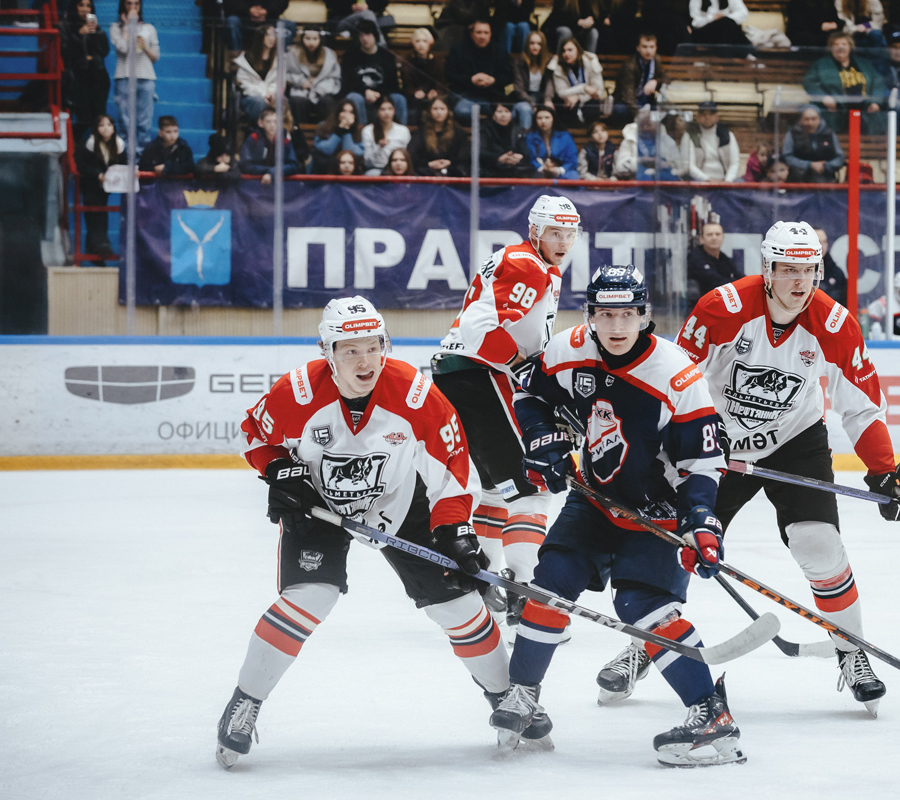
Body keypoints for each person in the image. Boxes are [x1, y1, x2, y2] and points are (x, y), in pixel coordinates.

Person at [215, 296, 509, 769]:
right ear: (327, 351)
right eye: (350, 350)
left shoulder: (415, 395)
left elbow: (452, 470)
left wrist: (454, 528)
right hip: (319, 504)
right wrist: (279, 470)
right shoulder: (296, 393)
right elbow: (255, 435)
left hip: (399, 501)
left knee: (457, 604)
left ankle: (507, 698)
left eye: (373, 346)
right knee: (311, 596)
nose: (364, 360)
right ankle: (244, 701)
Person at [489, 263, 744, 767]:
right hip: (596, 496)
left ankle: (712, 715)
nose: (616, 325)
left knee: (641, 606)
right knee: (551, 581)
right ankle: (523, 694)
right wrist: (541, 438)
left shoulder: (675, 374)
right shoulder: (568, 348)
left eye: (627, 314)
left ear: (645, 315)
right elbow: (529, 391)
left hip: (658, 510)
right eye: (605, 314)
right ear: (590, 315)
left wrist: (700, 520)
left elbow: (703, 462)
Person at [671, 220, 900, 717]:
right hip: (719, 443)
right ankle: (648, 643)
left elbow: (862, 408)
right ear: (767, 269)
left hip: (795, 441)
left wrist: (884, 471)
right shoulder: (721, 308)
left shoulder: (835, 324)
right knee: (675, 542)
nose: (799, 281)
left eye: (808, 270)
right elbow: (676, 382)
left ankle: (850, 650)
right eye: (788, 269)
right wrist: (694, 431)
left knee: (819, 545)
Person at [432, 195, 582, 634]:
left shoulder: (529, 262)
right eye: (555, 232)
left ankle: (482, 584)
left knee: (499, 492)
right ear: (535, 231)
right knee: (534, 489)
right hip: (480, 376)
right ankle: (526, 596)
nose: (563, 242)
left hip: (461, 376)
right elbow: (478, 327)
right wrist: (519, 364)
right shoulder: (527, 265)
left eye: (570, 234)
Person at [803, 33, 885, 135]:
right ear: (831, 48)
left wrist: (875, 102)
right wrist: (824, 97)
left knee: (880, 117)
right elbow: (809, 82)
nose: (840, 47)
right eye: (836, 44)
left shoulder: (864, 64)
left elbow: (878, 82)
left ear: (850, 47)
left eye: (844, 44)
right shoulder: (821, 64)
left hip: (864, 108)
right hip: (835, 109)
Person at [74, 114, 124, 260]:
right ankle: (101, 246)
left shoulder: (119, 145)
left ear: (113, 128)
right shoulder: (90, 144)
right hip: (90, 184)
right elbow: (82, 164)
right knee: (95, 214)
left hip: (107, 186)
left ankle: (95, 250)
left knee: (101, 212)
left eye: (109, 125)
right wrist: (98, 174)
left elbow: (124, 164)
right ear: (96, 129)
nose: (106, 128)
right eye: (101, 125)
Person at [110, 0, 158, 151]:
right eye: (129, 3)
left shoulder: (149, 28)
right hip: (124, 76)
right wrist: (126, 27)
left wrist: (144, 47)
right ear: (123, 5)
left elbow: (155, 57)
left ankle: (142, 156)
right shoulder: (115, 27)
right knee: (125, 120)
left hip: (146, 77)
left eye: (136, 4)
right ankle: (125, 155)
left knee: (144, 120)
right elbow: (122, 49)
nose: (133, 7)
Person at [61, 0, 110, 146]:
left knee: (99, 118)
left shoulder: (97, 29)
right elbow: (65, 51)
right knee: (84, 119)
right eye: (81, 5)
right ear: (74, 6)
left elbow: (103, 51)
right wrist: (78, 35)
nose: (84, 9)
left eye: (88, 6)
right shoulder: (65, 26)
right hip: (78, 78)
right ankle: (74, 145)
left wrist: (96, 34)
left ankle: (96, 150)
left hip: (98, 77)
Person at [446, 18, 512, 124]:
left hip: (491, 97)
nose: (482, 36)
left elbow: (508, 76)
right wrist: (471, 80)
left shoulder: (500, 51)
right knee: (463, 112)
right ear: (472, 34)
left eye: (486, 33)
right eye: (479, 32)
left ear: (490, 34)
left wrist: (493, 80)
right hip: (465, 95)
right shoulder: (458, 49)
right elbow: (449, 75)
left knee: (503, 114)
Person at [342, 20, 407, 127]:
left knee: (399, 98)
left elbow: (393, 85)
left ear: (375, 35)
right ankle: (360, 132)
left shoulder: (387, 56)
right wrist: (365, 92)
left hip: (382, 95)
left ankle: (400, 132)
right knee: (353, 97)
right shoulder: (350, 56)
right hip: (360, 95)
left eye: (368, 34)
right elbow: (348, 83)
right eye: (361, 35)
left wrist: (379, 94)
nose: (365, 39)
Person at [546, 36, 609, 128]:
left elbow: (598, 92)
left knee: (592, 107)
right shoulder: (558, 66)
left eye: (570, 50)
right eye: (563, 51)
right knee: (566, 106)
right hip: (568, 101)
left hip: (587, 100)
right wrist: (584, 88)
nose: (566, 54)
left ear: (578, 50)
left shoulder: (591, 61)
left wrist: (579, 97)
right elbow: (561, 92)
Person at [285, 27, 341, 124]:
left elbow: (335, 77)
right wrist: (301, 82)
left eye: (315, 39)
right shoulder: (292, 53)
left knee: (327, 101)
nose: (311, 42)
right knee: (297, 101)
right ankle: (299, 130)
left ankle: (325, 130)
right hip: (300, 91)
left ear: (320, 39)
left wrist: (319, 86)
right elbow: (285, 74)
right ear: (302, 38)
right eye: (308, 38)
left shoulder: (329, 54)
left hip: (323, 91)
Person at [782, 104, 846, 183]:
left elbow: (840, 157)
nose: (810, 123)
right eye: (806, 119)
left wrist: (826, 166)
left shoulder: (829, 134)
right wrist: (809, 165)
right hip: (799, 181)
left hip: (826, 180)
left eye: (814, 119)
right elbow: (787, 157)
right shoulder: (792, 134)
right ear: (800, 120)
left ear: (819, 119)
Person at [613, 34, 670, 122]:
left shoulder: (656, 60)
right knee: (620, 111)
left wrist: (655, 81)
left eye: (651, 47)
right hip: (626, 101)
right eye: (644, 47)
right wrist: (639, 115)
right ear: (638, 48)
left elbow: (666, 78)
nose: (648, 51)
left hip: (646, 99)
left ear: (656, 48)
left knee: (667, 112)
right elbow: (628, 95)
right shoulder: (630, 65)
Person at [409, 96, 470, 177]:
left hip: (452, 172)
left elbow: (464, 155)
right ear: (429, 111)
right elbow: (412, 155)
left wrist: (450, 162)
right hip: (427, 173)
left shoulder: (458, 133)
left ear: (448, 111)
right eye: (435, 109)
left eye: (442, 109)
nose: (439, 112)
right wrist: (429, 164)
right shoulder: (421, 132)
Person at [240, 107, 301, 185]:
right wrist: (269, 171)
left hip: (280, 185)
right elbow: (245, 165)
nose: (272, 125)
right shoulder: (253, 138)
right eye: (268, 121)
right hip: (254, 183)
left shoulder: (285, 140)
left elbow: (293, 165)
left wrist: (272, 172)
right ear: (260, 123)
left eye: (276, 122)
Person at [235, 24, 282, 124]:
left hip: (271, 94)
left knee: (282, 100)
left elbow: (277, 81)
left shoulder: (277, 59)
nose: (271, 38)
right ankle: (257, 130)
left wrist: (271, 92)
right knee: (259, 102)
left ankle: (282, 131)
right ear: (260, 37)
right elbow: (244, 84)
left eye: (274, 35)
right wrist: (263, 94)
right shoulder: (247, 59)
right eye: (268, 35)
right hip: (251, 95)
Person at [400, 26, 444, 126]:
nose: (421, 44)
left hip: (433, 95)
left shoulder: (437, 61)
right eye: (417, 41)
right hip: (414, 96)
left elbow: (441, 82)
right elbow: (406, 84)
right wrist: (414, 92)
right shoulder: (407, 61)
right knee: (415, 107)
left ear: (430, 43)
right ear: (413, 43)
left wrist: (436, 91)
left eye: (424, 41)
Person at [686, 101, 740, 183]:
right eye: (703, 114)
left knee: (741, 182)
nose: (707, 117)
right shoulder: (691, 136)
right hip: (701, 180)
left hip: (724, 180)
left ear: (717, 117)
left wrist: (727, 181)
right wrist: (707, 180)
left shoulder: (727, 135)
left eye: (711, 113)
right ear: (698, 117)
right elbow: (690, 166)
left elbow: (735, 163)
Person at [511, 30, 552, 131]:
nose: (535, 47)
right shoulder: (518, 62)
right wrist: (532, 103)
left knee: (550, 109)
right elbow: (518, 89)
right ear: (527, 45)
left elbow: (549, 83)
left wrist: (547, 100)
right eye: (532, 43)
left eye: (539, 44)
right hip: (523, 99)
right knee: (526, 109)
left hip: (541, 98)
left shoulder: (548, 61)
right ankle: (526, 139)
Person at [688, 222, 738, 304]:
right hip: (701, 306)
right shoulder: (695, 258)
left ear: (723, 237)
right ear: (701, 239)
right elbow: (716, 282)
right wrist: (735, 282)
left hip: (721, 304)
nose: (714, 238)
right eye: (709, 234)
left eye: (717, 234)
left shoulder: (724, 258)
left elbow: (739, 276)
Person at [480, 101, 533, 178]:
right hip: (492, 170)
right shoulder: (485, 130)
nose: (503, 115)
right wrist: (498, 157)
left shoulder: (517, 130)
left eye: (507, 111)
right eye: (499, 111)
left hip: (514, 169)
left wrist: (520, 156)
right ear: (493, 114)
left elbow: (525, 152)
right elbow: (480, 152)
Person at [361, 96, 411, 175]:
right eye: (383, 109)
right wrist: (378, 147)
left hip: (398, 169)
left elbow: (406, 155)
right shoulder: (368, 131)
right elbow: (367, 160)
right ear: (377, 112)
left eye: (390, 109)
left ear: (394, 111)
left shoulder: (403, 130)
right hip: (376, 168)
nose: (386, 113)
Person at [526, 106, 581, 179]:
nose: (543, 121)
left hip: (561, 171)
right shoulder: (530, 137)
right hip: (539, 171)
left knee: (573, 176)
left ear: (553, 119)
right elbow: (530, 158)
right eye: (539, 118)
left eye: (547, 117)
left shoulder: (565, 136)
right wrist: (542, 168)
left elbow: (572, 159)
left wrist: (559, 170)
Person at [225, 0, 294, 56]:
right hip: (244, 18)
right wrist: (248, 10)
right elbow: (230, 3)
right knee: (232, 22)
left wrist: (266, 11)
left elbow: (282, 3)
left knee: (290, 26)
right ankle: (237, 60)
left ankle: (277, 60)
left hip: (269, 18)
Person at [312, 100, 363, 175]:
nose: (347, 115)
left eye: (350, 112)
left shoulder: (358, 131)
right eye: (344, 111)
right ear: (337, 112)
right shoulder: (323, 127)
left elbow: (353, 153)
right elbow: (327, 150)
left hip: (349, 169)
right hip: (325, 167)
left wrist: (346, 130)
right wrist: (339, 130)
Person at [813, 226, 847, 307]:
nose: (822, 246)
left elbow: (844, 305)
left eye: (824, 241)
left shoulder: (837, 273)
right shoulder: (798, 271)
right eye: (818, 242)